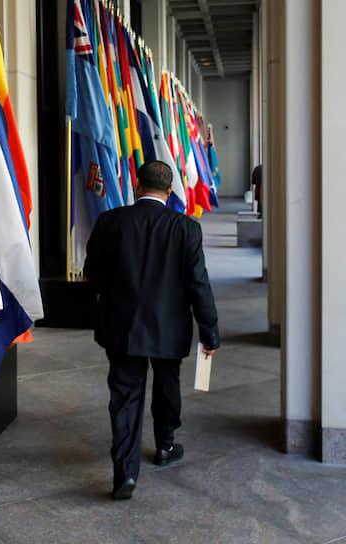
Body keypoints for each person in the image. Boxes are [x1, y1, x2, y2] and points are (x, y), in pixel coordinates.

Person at [84, 161, 220, 501]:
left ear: (137, 184)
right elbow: (198, 284)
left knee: (125, 397)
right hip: (168, 326)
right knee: (167, 384)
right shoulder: (186, 228)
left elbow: (93, 274)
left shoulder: (110, 221)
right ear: (170, 191)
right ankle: (165, 445)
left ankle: (125, 473)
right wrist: (209, 331)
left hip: (123, 326)